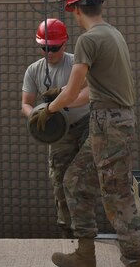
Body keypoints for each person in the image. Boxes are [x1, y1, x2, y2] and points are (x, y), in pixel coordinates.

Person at [34, 0, 140, 267]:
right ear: (99, 3)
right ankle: (86, 255)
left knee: (117, 197)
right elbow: (89, 93)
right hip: (112, 120)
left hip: (108, 125)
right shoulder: (113, 34)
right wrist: (59, 96)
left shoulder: (87, 40)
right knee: (75, 180)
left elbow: (75, 90)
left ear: (73, 9)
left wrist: (49, 109)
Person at [21, 18, 92, 238]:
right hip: (59, 134)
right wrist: (36, 116)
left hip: (85, 126)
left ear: (64, 43)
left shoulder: (76, 64)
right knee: (60, 180)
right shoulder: (34, 70)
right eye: (44, 48)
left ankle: (86, 232)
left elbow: (90, 93)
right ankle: (67, 230)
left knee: (81, 179)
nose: (48, 52)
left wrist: (59, 103)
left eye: (53, 48)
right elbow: (26, 103)